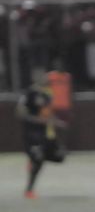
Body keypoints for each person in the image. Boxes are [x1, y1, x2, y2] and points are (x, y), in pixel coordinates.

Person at [16, 68, 67, 199]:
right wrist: (37, 120)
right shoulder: (29, 93)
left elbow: (48, 115)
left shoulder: (47, 95)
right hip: (32, 134)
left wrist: (57, 122)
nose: (46, 78)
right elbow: (20, 113)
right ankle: (29, 190)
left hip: (45, 135)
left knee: (60, 157)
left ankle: (33, 160)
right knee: (38, 158)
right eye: (42, 75)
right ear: (35, 78)